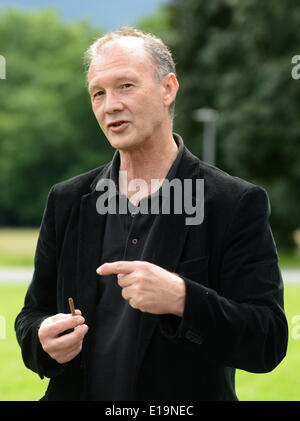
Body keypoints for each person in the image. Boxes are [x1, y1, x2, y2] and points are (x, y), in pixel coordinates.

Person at [15, 27, 288, 401]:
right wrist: (42, 339)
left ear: (168, 88)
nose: (110, 104)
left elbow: (267, 340)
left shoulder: (233, 203)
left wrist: (183, 299)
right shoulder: (67, 200)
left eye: (125, 85)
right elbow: (32, 315)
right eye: (98, 92)